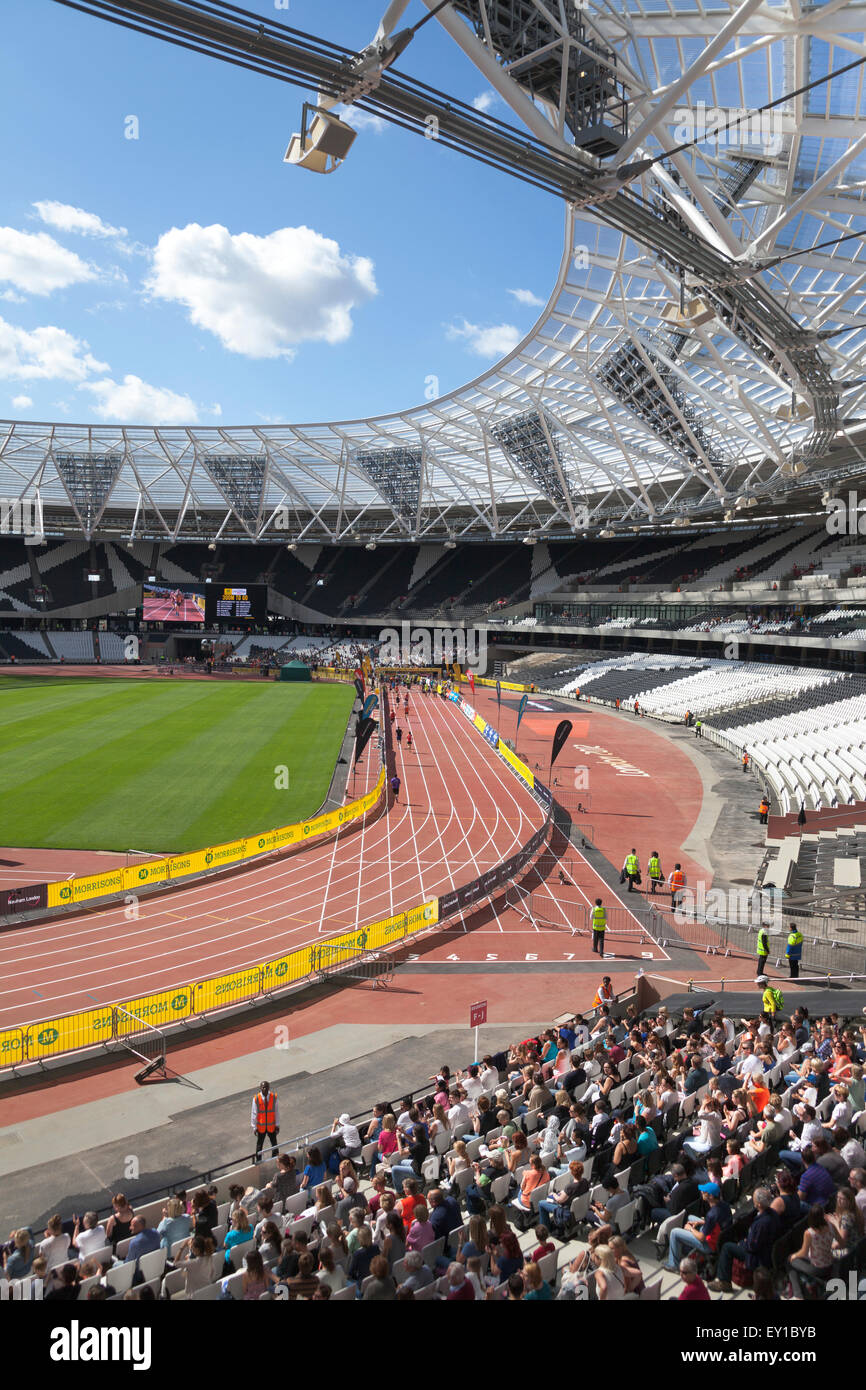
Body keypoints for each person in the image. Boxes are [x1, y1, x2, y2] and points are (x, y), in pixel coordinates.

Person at [251, 1081, 279, 1162]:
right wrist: (254, 1127)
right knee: (259, 1146)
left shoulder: (273, 1097)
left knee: (274, 1144)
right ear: (260, 1088)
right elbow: (254, 1113)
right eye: (263, 1087)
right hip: (261, 1127)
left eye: (266, 1087)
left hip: (271, 1126)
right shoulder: (256, 1099)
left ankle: (275, 1159)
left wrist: (277, 1125)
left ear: (269, 1087)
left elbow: (276, 1112)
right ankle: (258, 1161)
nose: (265, 1089)